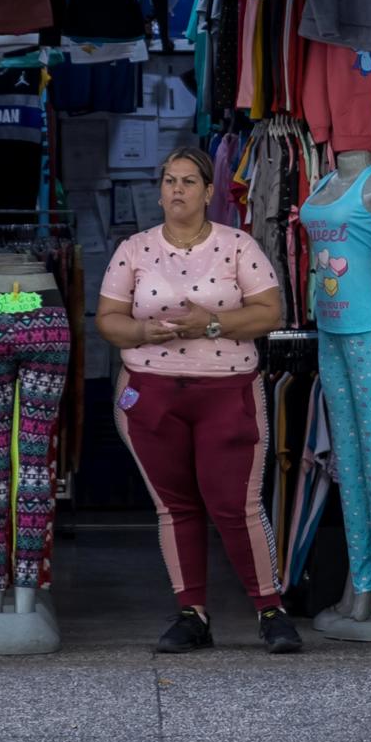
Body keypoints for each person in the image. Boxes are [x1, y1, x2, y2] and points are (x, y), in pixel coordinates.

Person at [97, 147, 303, 655]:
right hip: (151, 395)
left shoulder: (238, 246)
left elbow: (270, 312)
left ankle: (270, 609)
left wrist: (210, 323)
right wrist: (143, 330)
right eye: (169, 181)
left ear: (210, 192)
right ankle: (192, 613)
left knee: (236, 506)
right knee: (175, 507)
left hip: (226, 391)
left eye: (189, 181)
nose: (178, 190)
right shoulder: (134, 249)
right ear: (160, 189)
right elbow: (108, 319)